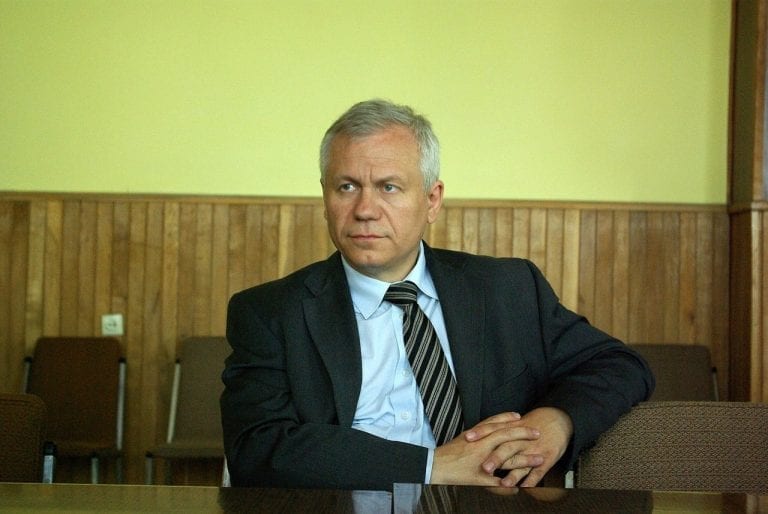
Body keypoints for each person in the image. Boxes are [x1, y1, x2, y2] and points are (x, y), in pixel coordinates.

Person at [220, 99, 654, 491]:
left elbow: (620, 366)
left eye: (389, 187)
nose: (365, 210)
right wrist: (430, 466)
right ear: (325, 196)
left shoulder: (508, 289)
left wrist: (557, 421)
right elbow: (257, 449)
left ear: (432, 200)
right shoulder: (269, 313)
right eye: (346, 187)